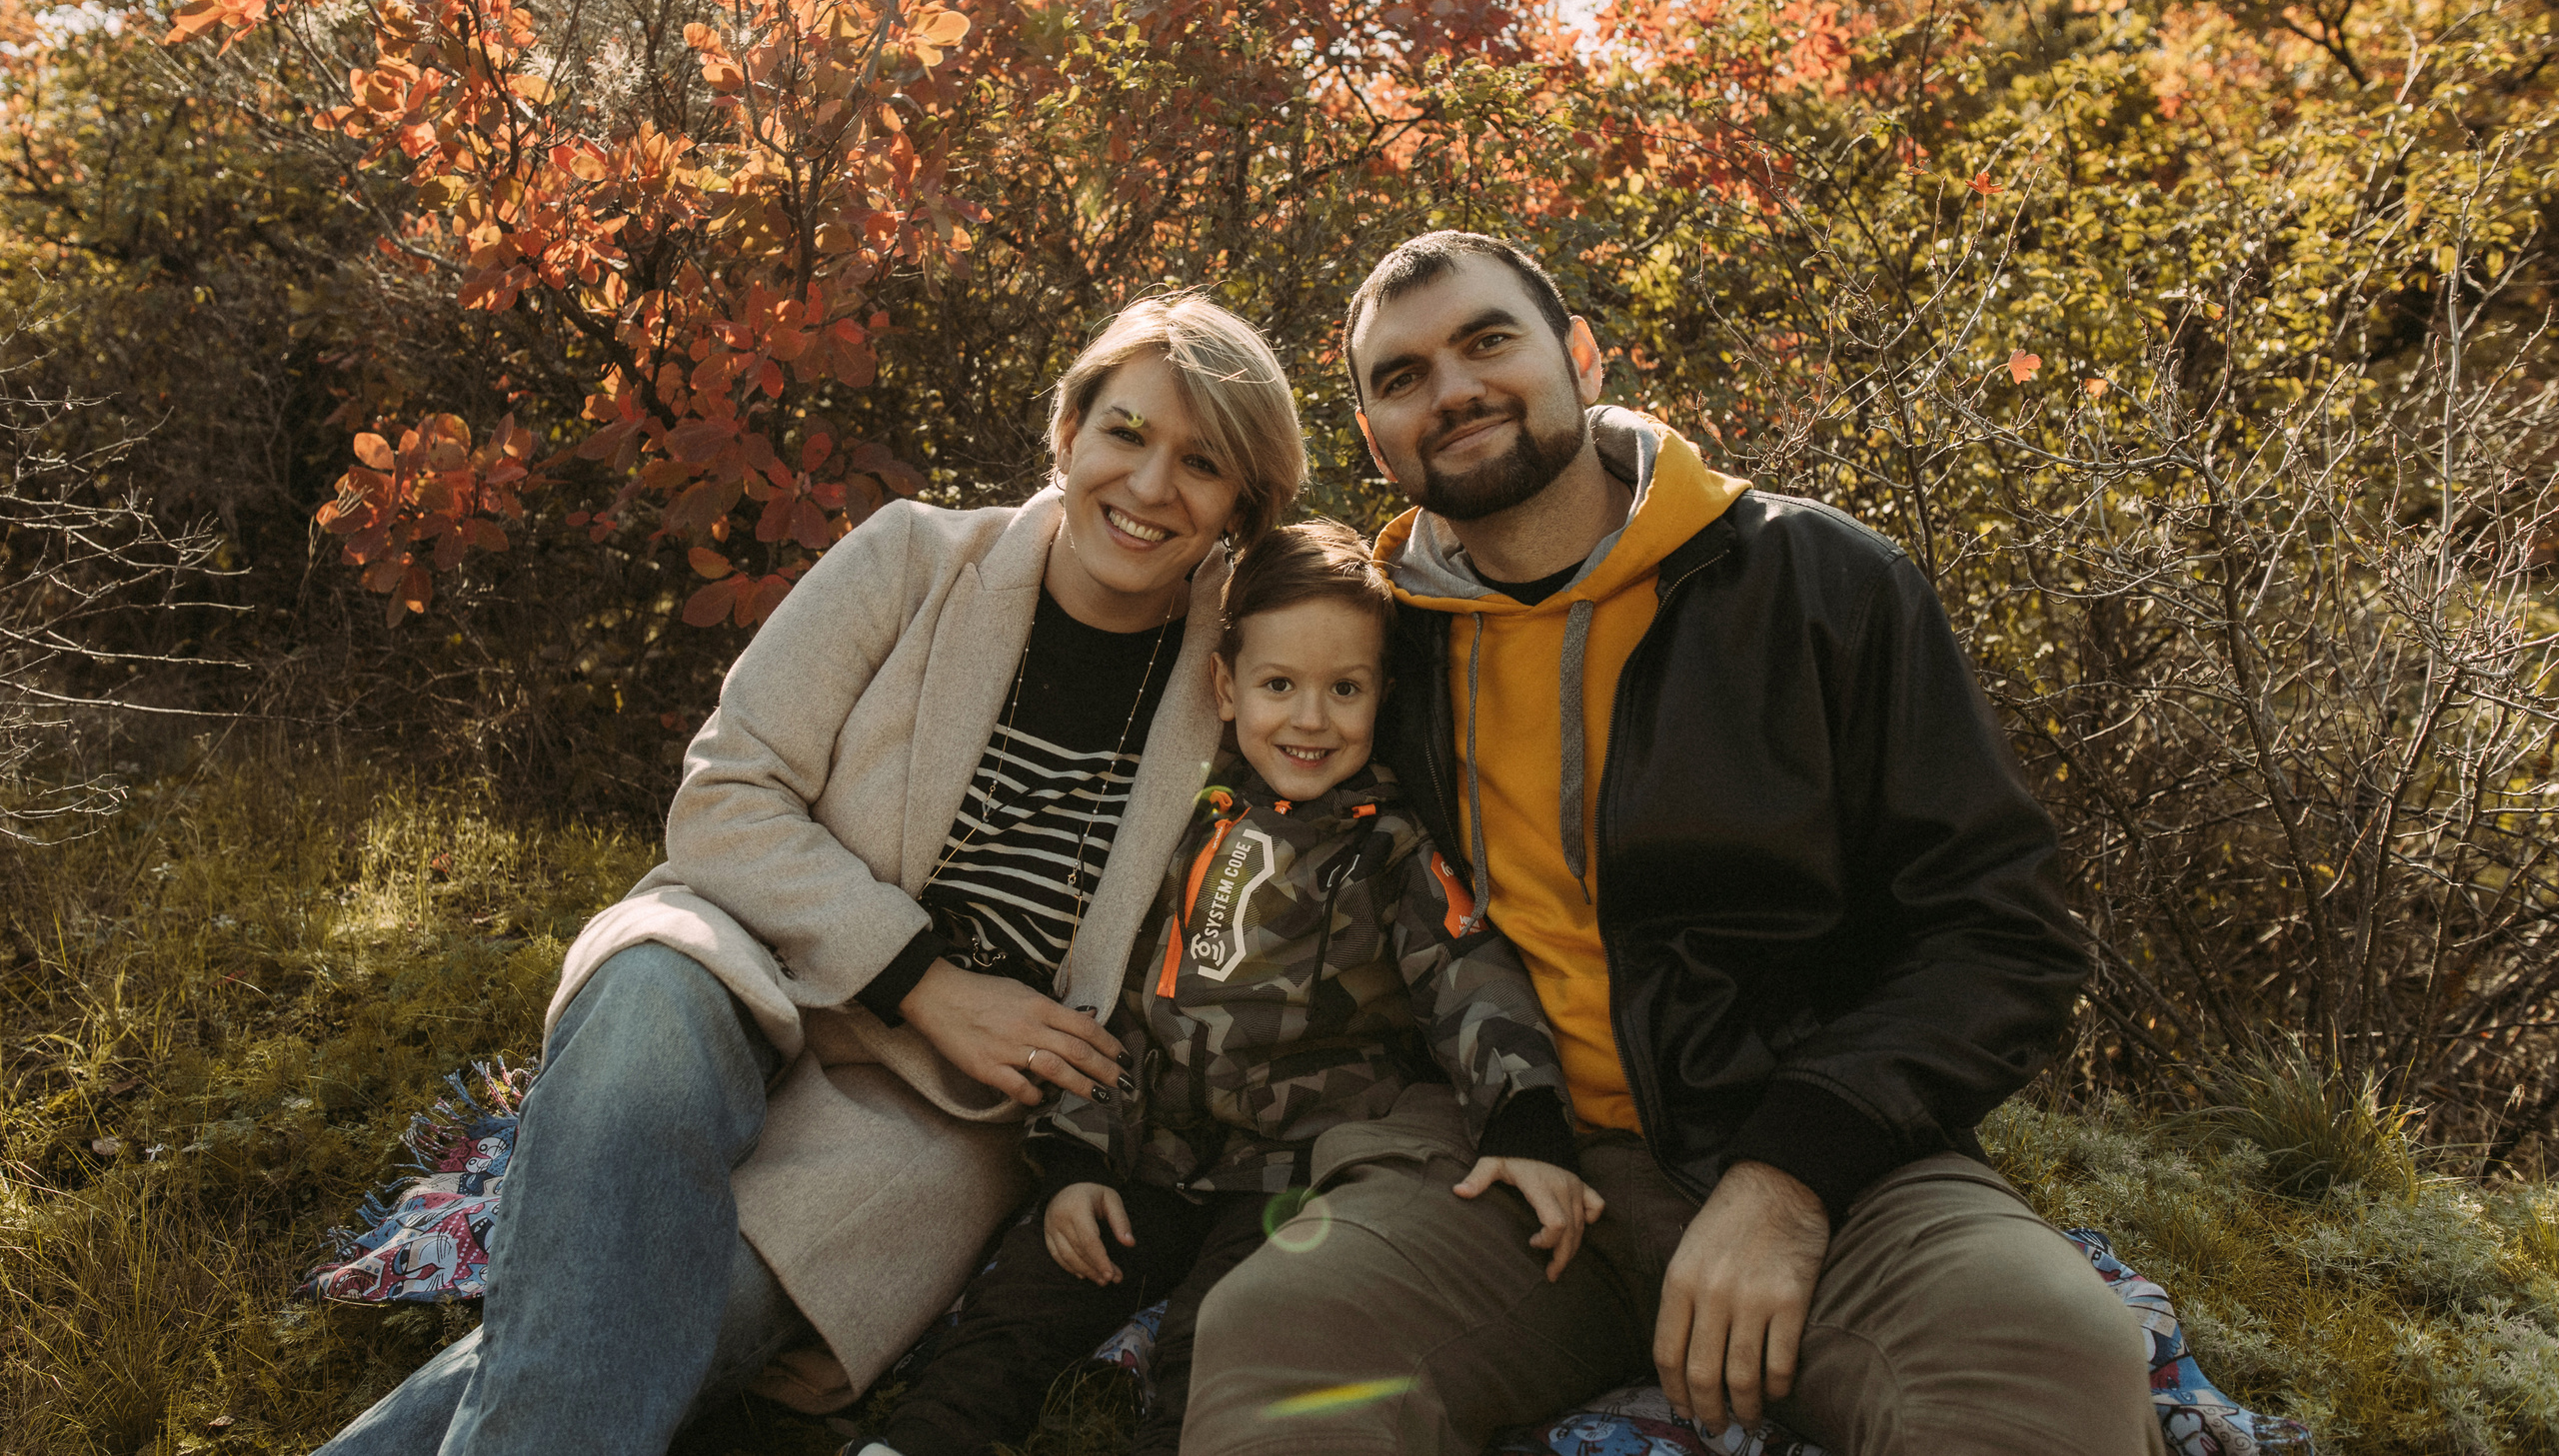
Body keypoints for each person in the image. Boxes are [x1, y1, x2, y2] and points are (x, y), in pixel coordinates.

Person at [1178, 233, 2167, 1456]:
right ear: (1377, 443)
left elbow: (2002, 928)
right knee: (1279, 1336)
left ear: (1581, 357)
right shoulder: (1381, 647)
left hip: (1819, 1149)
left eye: (1488, 342)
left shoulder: (1818, 583)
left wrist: (1790, 1178)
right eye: (1403, 377)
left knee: (2049, 1350)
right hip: (1507, 1160)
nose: (1454, 391)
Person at [317, 294, 1306, 1455]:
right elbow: (726, 796)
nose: (1148, 485)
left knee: (644, 1314)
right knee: (640, 1021)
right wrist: (924, 981)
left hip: (940, 1109)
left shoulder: (1252, 680)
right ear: (1069, 432)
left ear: (1245, 503)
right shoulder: (912, 556)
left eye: (1201, 463)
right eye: (1125, 433)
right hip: (740, 958)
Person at [854, 520, 1599, 1456]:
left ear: (1383, 692)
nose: (1311, 719)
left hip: (1295, 1171)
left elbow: (1468, 976)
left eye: (1345, 688)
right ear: (1225, 686)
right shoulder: (1180, 822)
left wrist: (1527, 1121)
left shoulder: (1389, 845)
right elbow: (1117, 1000)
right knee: (1025, 1294)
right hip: (1156, 1154)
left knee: (1219, 1338)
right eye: (1279, 684)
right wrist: (1081, 1165)